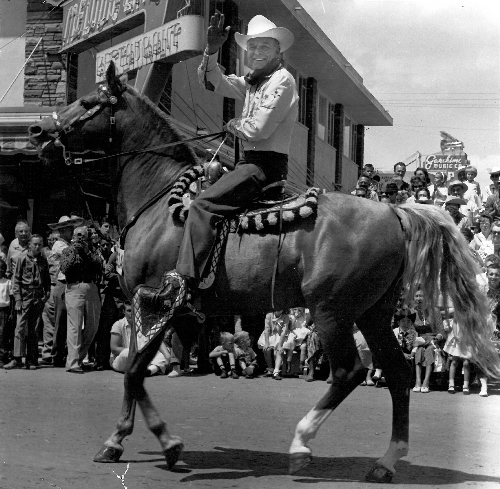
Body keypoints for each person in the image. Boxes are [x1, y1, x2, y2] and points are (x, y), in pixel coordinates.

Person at [154, 13, 298, 306]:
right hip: (249, 163)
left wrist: (233, 125)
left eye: (264, 47)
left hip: (263, 167)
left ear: (277, 52)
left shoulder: (282, 80)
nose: (257, 52)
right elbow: (212, 81)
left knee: (203, 204)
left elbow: (258, 129)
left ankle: (185, 283)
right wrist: (211, 49)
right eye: (253, 47)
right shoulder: (255, 82)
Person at [60, 226, 102, 374]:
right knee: (74, 327)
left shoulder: (93, 251)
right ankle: (72, 363)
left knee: (92, 327)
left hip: (91, 287)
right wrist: (75, 251)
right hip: (74, 287)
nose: (80, 238)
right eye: (78, 235)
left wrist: (86, 251)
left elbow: (99, 266)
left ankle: (79, 358)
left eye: (83, 236)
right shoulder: (67, 250)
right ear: (73, 236)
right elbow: (65, 268)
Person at [5, 235, 50, 370]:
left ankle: (31, 360)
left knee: (34, 329)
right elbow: (16, 279)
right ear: (29, 245)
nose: (37, 247)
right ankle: (17, 358)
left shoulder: (43, 260)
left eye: (39, 245)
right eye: (35, 244)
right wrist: (18, 299)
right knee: (20, 327)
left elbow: (46, 279)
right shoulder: (22, 258)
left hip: (38, 297)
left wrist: (46, 296)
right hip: (25, 296)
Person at [45, 215, 84, 367]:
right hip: (61, 284)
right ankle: (57, 354)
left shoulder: (67, 243)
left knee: (69, 322)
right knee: (60, 321)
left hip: (69, 284)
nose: (71, 231)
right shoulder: (59, 245)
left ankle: (64, 353)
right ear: (62, 230)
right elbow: (72, 253)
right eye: (69, 229)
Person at [110, 302, 168, 376]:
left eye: (134, 311)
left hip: (140, 357)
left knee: (165, 351)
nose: (132, 313)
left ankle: (149, 371)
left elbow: (156, 340)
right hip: (122, 360)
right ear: (123, 312)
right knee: (127, 352)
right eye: (129, 311)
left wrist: (166, 354)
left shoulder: (143, 324)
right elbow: (114, 349)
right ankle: (151, 367)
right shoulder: (118, 324)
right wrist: (135, 352)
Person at [412, 289, 444, 393]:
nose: (419, 299)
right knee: (419, 351)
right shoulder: (412, 312)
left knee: (429, 350)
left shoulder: (435, 311)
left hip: (433, 340)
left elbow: (441, 331)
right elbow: (412, 331)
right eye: (416, 296)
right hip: (419, 340)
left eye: (421, 296)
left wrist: (435, 340)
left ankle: (426, 381)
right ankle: (418, 381)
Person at [258, 309, 290, 379]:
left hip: (280, 336)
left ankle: (276, 371)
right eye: (276, 309)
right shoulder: (269, 315)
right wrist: (267, 343)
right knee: (267, 349)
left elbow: (284, 331)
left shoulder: (285, 317)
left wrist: (280, 345)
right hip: (270, 335)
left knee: (279, 351)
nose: (278, 311)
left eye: (280, 309)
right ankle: (270, 369)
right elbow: (267, 329)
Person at [282, 307, 310, 376]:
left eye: (299, 310)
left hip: (302, 336)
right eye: (295, 310)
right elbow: (291, 327)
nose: (297, 311)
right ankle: (288, 364)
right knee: (291, 345)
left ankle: (301, 364)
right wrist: (294, 318)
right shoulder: (290, 317)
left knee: (303, 347)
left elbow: (306, 323)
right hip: (294, 334)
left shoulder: (304, 316)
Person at [0, 259, 13, 368]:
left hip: (4, 310)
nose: (0, 270)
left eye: (2, 269)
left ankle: (2, 356)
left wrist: (11, 312)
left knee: (3, 333)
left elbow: (12, 298)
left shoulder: (8, 282)